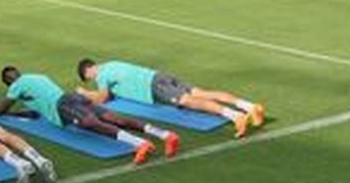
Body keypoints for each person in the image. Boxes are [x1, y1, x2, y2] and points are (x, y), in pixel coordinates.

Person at [0, 67, 178, 165]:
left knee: (91, 124)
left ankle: (139, 143)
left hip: (63, 106)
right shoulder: (36, 76)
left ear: (9, 83)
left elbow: (0, 110)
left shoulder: (16, 87)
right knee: (114, 117)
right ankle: (165, 135)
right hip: (71, 97)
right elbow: (34, 106)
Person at [77, 58, 264, 138]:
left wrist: (85, 94)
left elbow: (102, 98)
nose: (92, 80)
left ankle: (235, 116)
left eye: (89, 78)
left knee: (187, 101)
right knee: (199, 93)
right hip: (159, 76)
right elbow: (108, 93)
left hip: (154, 86)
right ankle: (249, 106)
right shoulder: (113, 64)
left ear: (89, 70)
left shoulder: (102, 75)